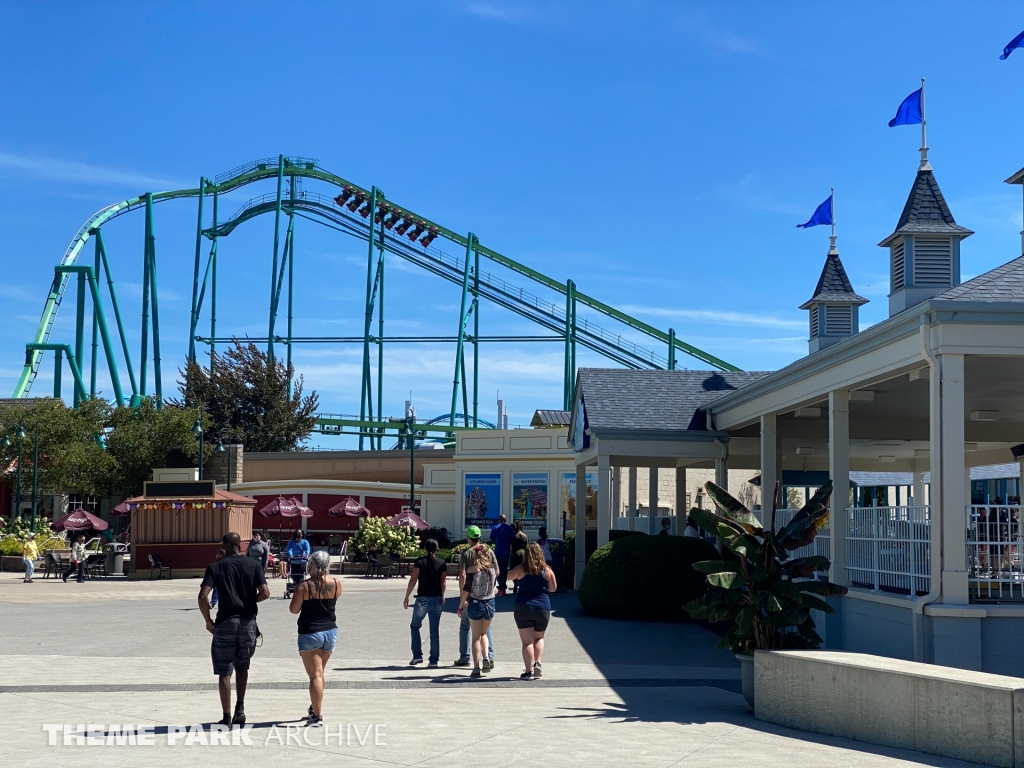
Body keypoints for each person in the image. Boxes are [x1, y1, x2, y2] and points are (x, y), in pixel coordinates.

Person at [198, 532, 270, 727]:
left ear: (224, 545)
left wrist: (208, 620)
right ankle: (240, 707)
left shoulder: (215, 567)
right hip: (247, 623)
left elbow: (203, 596)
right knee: (243, 667)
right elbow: (265, 593)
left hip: (225, 623)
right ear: (241, 545)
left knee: (224, 671)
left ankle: (226, 716)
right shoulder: (254, 565)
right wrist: (249, 601)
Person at [288, 550, 341, 727]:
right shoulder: (336, 583)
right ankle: (314, 707)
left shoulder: (304, 586)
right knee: (320, 673)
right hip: (330, 632)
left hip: (310, 632)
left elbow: (294, 610)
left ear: (311, 565)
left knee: (315, 675)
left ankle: (317, 716)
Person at [507, 542, 557, 680]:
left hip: (523, 606)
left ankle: (528, 671)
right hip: (542, 607)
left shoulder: (521, 569)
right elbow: (553, 588)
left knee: (527, 642)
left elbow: (509, 576)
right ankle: (538, 663)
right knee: (539, 637)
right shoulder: (547, 571)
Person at [454, 526, 494, 667]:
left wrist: (462, 598)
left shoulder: (466, 553)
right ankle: (489, 655)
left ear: (468, 538)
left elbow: (463, 575)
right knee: (486, 629)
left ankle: (465, 657)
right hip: (488, 597)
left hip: (471, 596)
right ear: (480, 537)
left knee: (466, 626)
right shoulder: (489, 551)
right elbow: (498, 571)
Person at [403, 538, 446, 667]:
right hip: (437, 598)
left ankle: (417, 656)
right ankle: (434, 660)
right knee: (434, 630)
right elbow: (443, 583)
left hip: (422, 598)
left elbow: (413, 580)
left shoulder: (419, 562)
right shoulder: (442, 563)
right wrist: (442, 596)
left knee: (415, 626)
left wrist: (407, 597)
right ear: (437, 549)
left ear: (425, 549)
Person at [458, 545, 498, 678]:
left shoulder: (472, 570)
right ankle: (486, 656)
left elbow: (467, 588)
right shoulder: (493, 569)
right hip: (490, 604)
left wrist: (461, 603)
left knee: (475, 638)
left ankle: (476, 668)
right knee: (484, 634)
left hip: (475, 603)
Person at [489, 514, 515, 595]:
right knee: (505, 569)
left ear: (499, 519)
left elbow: (491, 538)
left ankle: (501, 588)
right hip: (506, 552)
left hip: (498, 552)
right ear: (506, 520)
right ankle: (503, 587)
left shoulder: (495, 528)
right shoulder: (509, 528)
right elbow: (513, 539)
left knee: (498, 570)